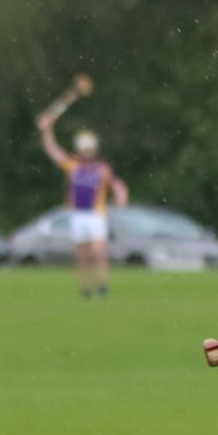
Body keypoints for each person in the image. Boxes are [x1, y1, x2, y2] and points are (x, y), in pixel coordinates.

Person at [36, 111, 128, 297]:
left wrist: (121, 196)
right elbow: (53, 151)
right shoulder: (73, 166)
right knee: (82, 255)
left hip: (96, 214)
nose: (87, 152)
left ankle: (102, 285)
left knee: (97, 252)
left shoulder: (101, 168)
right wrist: (47, 130)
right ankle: (85, 288)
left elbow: (117, 184)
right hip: (78, 215)